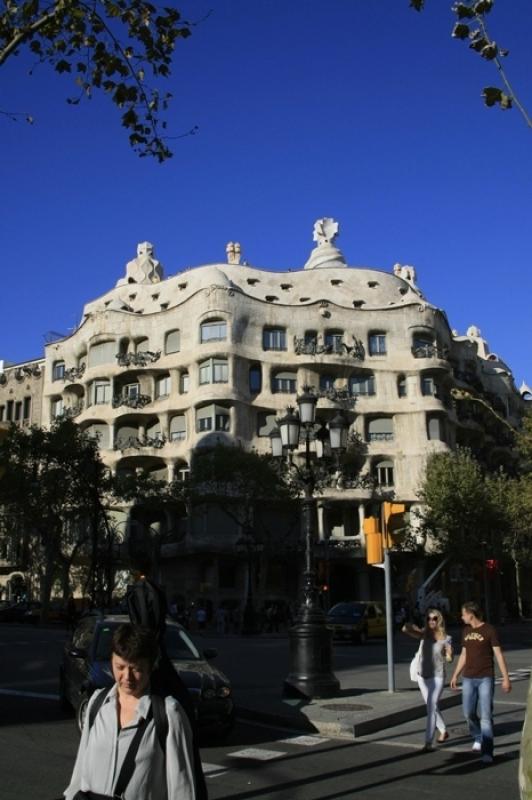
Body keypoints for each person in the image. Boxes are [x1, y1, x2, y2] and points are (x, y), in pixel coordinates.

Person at [64, 624, 196, 800]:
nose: (127, 677)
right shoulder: (97, 704)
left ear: (151, 666)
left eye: (136, 669)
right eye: (120, 667)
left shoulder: (169, 714)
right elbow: (81, 770)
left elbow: (182, 787)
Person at [450, 600, 512, 764]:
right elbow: (464, 654)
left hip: (485, 677)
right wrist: (455, 674)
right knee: (468, 713)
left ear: (471, 614)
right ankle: (478, 736)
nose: (461, 617)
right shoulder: (465, 631)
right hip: (468, 678)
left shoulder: (489, 630)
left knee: (486, 716)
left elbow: (499, 655)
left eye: (463, 614)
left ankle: (487, 751)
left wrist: (506, 678)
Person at [402, 607, 453, 751]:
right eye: (429, 618)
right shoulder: (423, 634)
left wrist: (449, 655)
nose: (431, 621)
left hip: (437, 677)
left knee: (431, 707)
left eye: (434, 618)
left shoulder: (446, 638)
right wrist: (411, 625)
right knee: (431, 706)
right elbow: (405, 630)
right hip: (422, 676)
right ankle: (443, 730)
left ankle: (428, 742)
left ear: (439, 620)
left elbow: (449, 658)